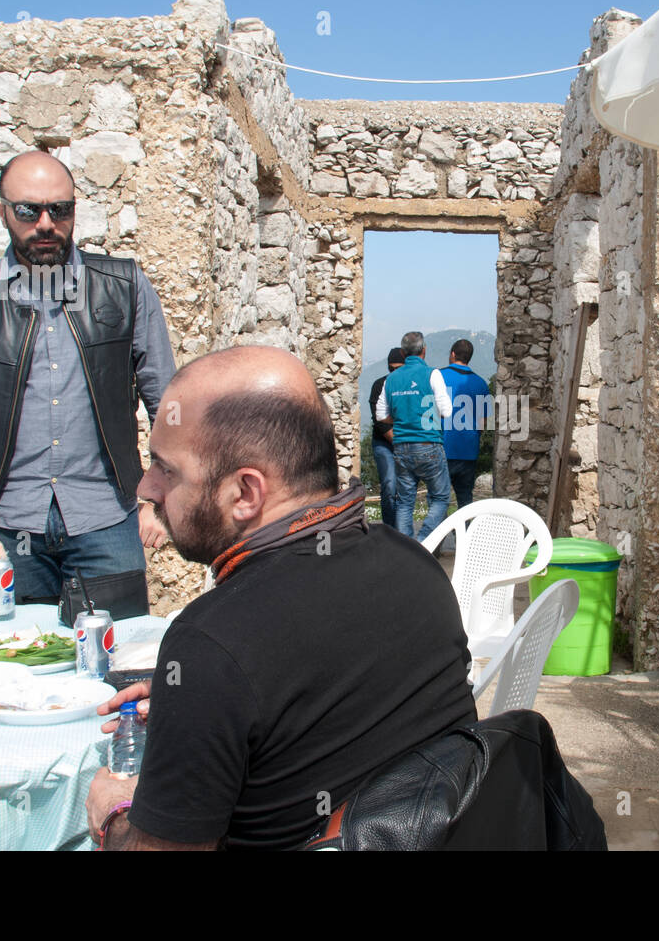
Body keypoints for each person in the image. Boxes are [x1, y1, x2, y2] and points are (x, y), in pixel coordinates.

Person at [84, 346, 477, 850]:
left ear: (245, 493)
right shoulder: (415, 566)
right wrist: (202, 710)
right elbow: (330, 693)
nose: (147, 485)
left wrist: (113, 814)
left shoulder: (210, 641)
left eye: (165, 468)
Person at [0, 150, 174, 602]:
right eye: (28, 209)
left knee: (119, 667)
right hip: (4, 526)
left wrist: (161, 497)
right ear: (2, 211)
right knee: (13, 664)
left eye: (60, 210)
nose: (45, 223)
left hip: (106, 521)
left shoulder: (124, 286)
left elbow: (169, 405)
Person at [376, 331, 453, 541]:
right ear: (424, 350)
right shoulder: (432, 374)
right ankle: (424, 542)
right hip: (429, 444)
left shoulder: (390, 379)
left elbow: (381, 415)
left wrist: (403, 418)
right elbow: (446, 411)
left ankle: (407, 549)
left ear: (402, 352)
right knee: (440, 497)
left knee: (404, 501)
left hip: (401, 446)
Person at [440, 338, 492, 510]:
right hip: (468, 452)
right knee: (465, 501)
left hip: (442, 450)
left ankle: (437, 537)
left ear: (452, 354)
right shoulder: (481, 384)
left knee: (439, 500)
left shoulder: (438, 377)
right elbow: (483, 423)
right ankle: (464, 535)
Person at [367, 347, 406, 528]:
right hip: (385, 442)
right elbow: (380, 422)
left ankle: (401, 529)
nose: (395, 373)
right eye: (392, 369)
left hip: (405, 442)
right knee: (389, 484)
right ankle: (390, 530)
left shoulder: (410, 387)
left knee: (405, 488)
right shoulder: (379, 386)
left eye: (399, 369)